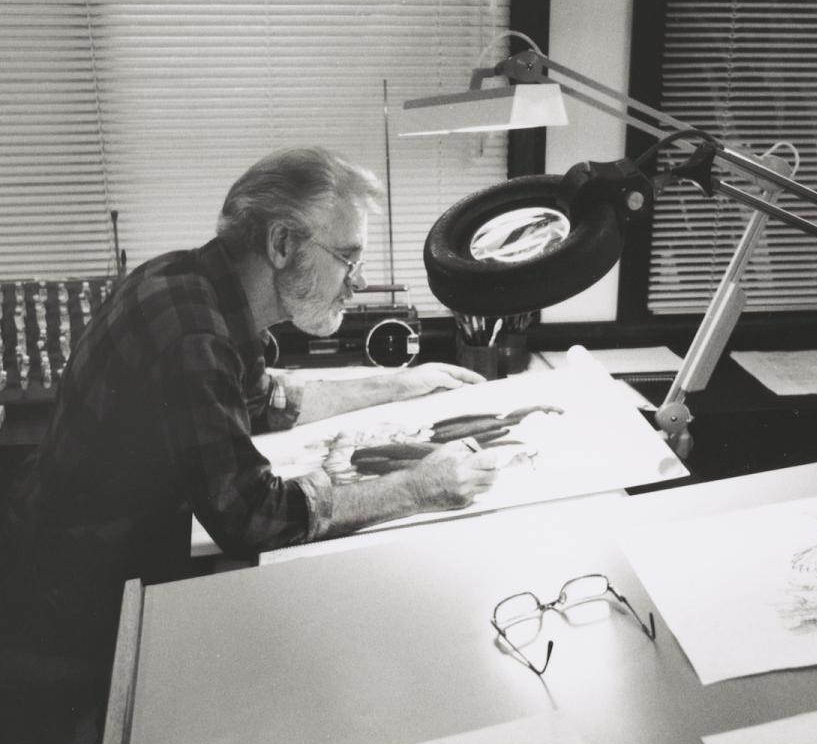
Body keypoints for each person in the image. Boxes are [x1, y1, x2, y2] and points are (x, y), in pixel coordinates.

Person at [0, 145, 506, 675]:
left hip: (62, 552)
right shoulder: (194, 336)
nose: (357, 282)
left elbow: (266, 401)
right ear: (283, 243)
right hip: (76, 600)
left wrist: (397, 385)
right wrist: (419, 488)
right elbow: (253, 517)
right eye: (348, 258)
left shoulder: (190, 282)